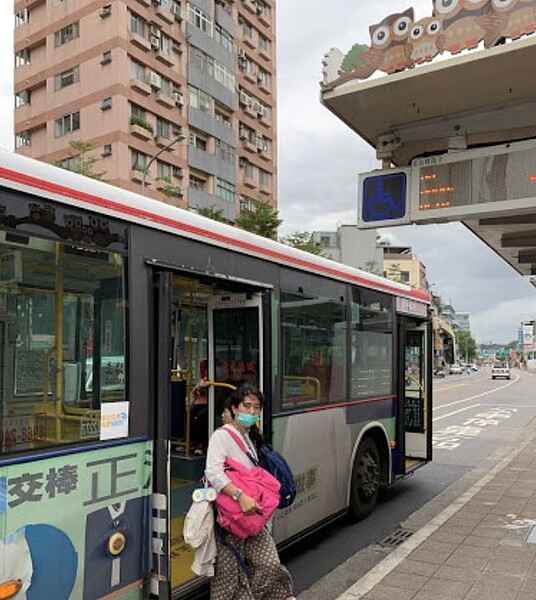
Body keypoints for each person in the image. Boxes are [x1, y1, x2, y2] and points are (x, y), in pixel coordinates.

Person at [205, 384, 296, 600]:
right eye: (247, 406)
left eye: (256, 407)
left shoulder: (248, 436)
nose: (252, 412)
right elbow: (213, 472)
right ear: (235, 409)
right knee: (227, 577)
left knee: (269, 563)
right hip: (230, 517)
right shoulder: (222, 436)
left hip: (253, 515)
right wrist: (240, 496)